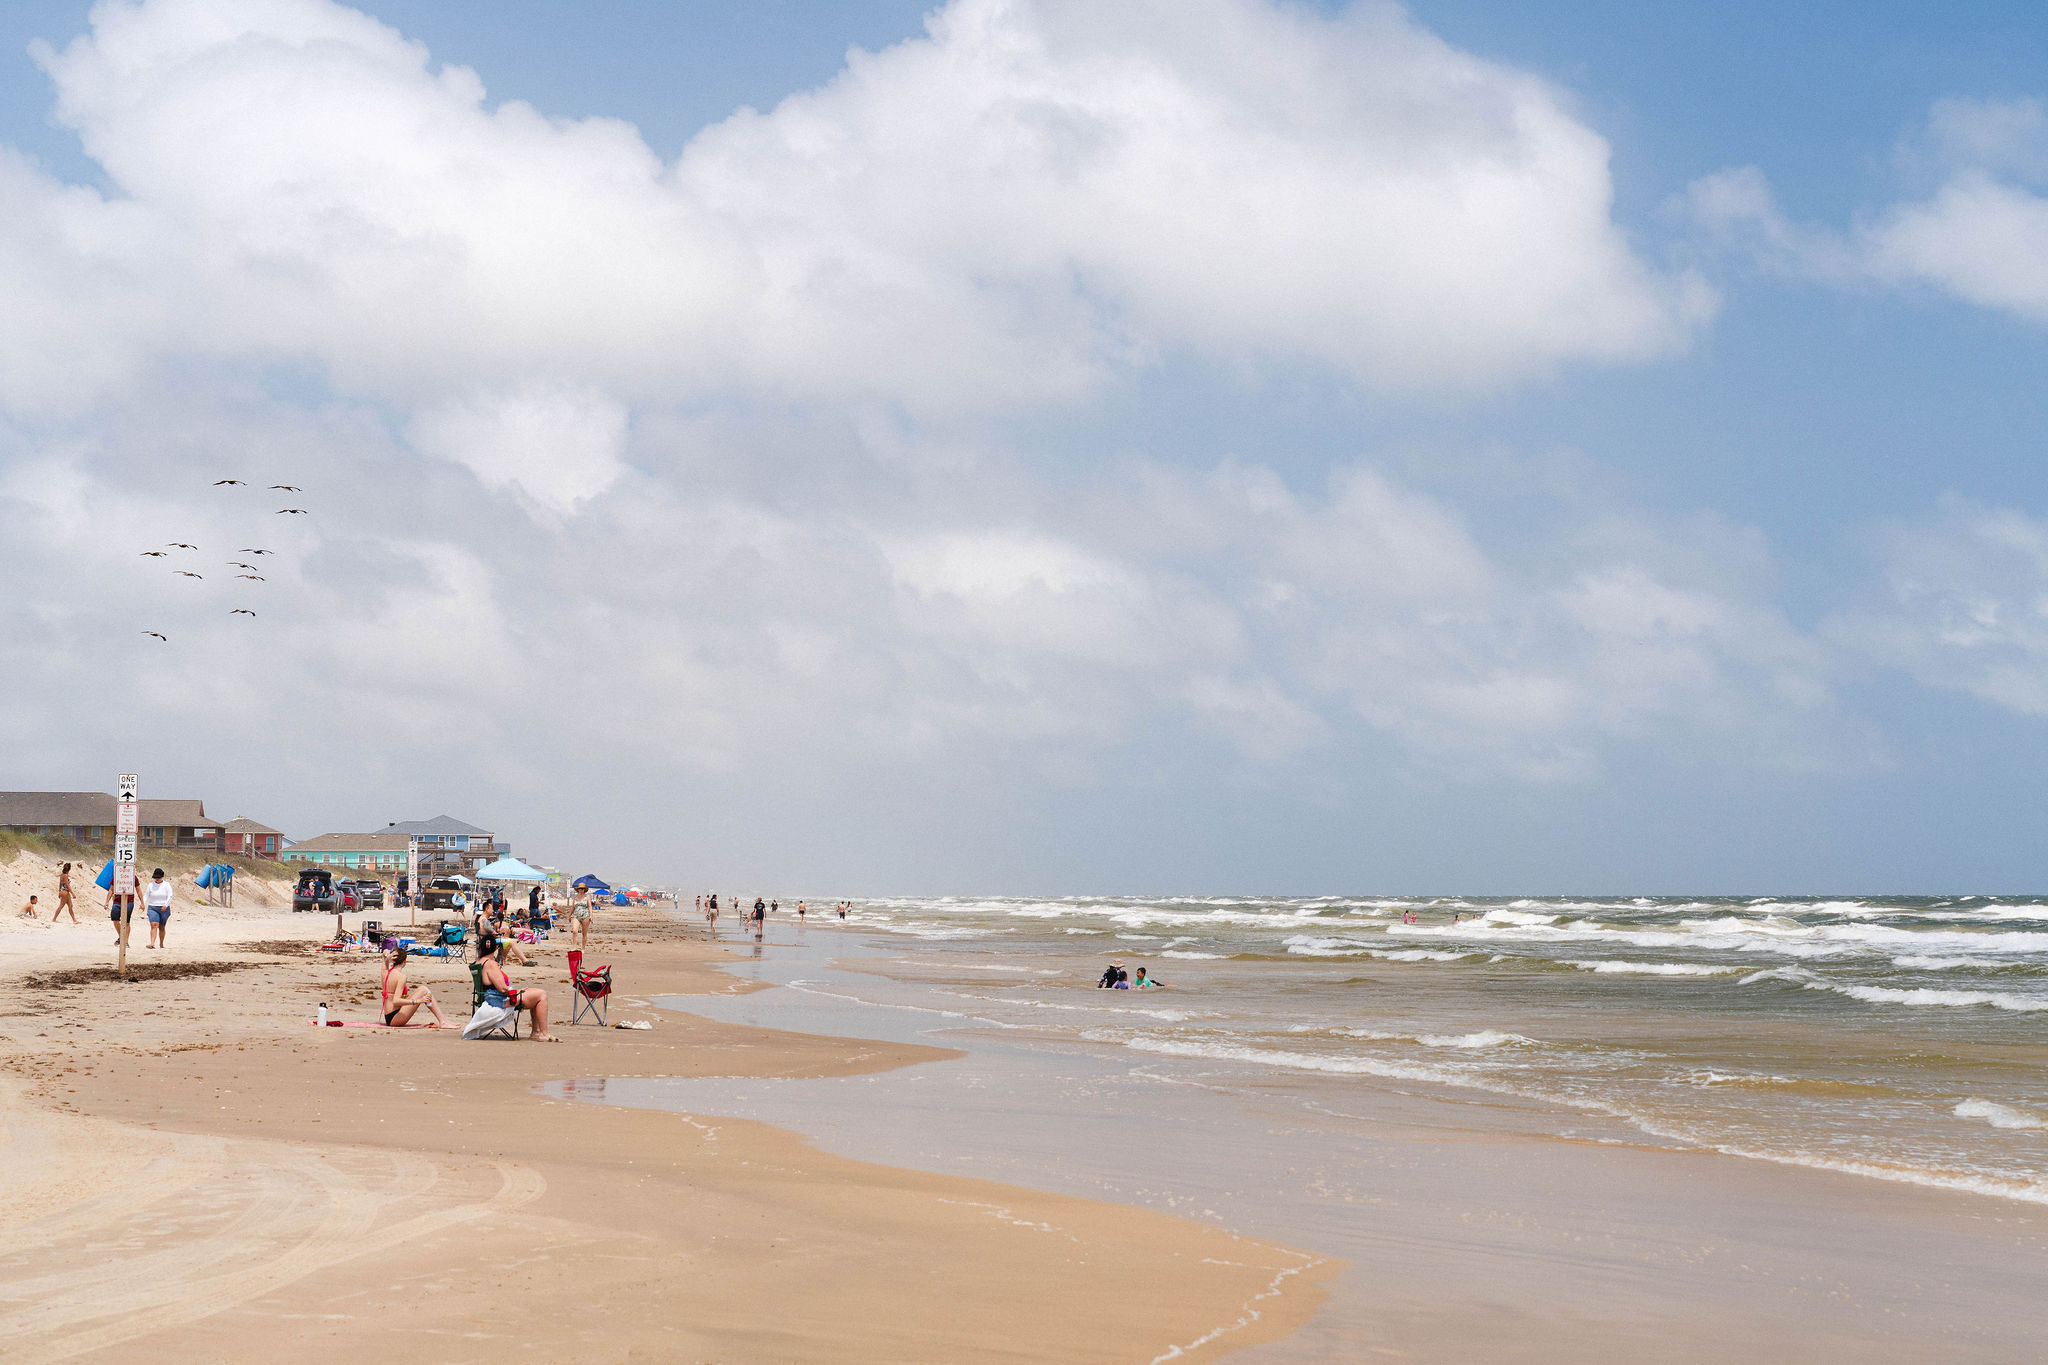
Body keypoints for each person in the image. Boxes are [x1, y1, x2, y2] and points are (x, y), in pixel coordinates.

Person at [478, 935, 556, 1041]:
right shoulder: (490, 964)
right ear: (496, 948)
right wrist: (517, 992)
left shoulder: (479, 962)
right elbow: (503, 989)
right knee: (541, 994)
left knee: (534, 993)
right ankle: (544, 1033)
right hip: (499, 1000)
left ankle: (536, 1032)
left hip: (490, 997)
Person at [380, 943, 445, 1027]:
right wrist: (419, 1001)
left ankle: (443, 1020)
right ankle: (443, 1021)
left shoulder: (387, 973)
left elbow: (384, 956)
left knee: (422, 989)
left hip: (389, 1016)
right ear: (404, 961)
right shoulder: (401, 976)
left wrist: (386, 956)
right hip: (394, 1018)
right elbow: (396, 1001)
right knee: (424, 990)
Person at [143, 867, 174, 948]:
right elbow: (146, 895)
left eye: (158, 877)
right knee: (154, 924)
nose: (157, 879)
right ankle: (152, 943)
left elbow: (170, 895)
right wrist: (143, 903)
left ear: (162, 877)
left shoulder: (166, 885)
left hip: (164, 908)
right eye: (155, 878)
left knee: (162, 927)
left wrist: (165, 905)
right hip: (153, 907)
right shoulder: (150, 885)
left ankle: (161, 943)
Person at [570, 885, 593, 952]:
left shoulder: (587, 896)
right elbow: (572, 907)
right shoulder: (575, 897)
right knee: (574, 931)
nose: (581, 890)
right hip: (576, 915)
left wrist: (591, 915)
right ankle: (574, 947)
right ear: (578, 889)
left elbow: (590, 906)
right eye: (580, 888)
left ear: (584, 890)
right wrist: (569, 915)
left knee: (584, 933)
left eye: (582, 889)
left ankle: (583, 948)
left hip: (585, 915)